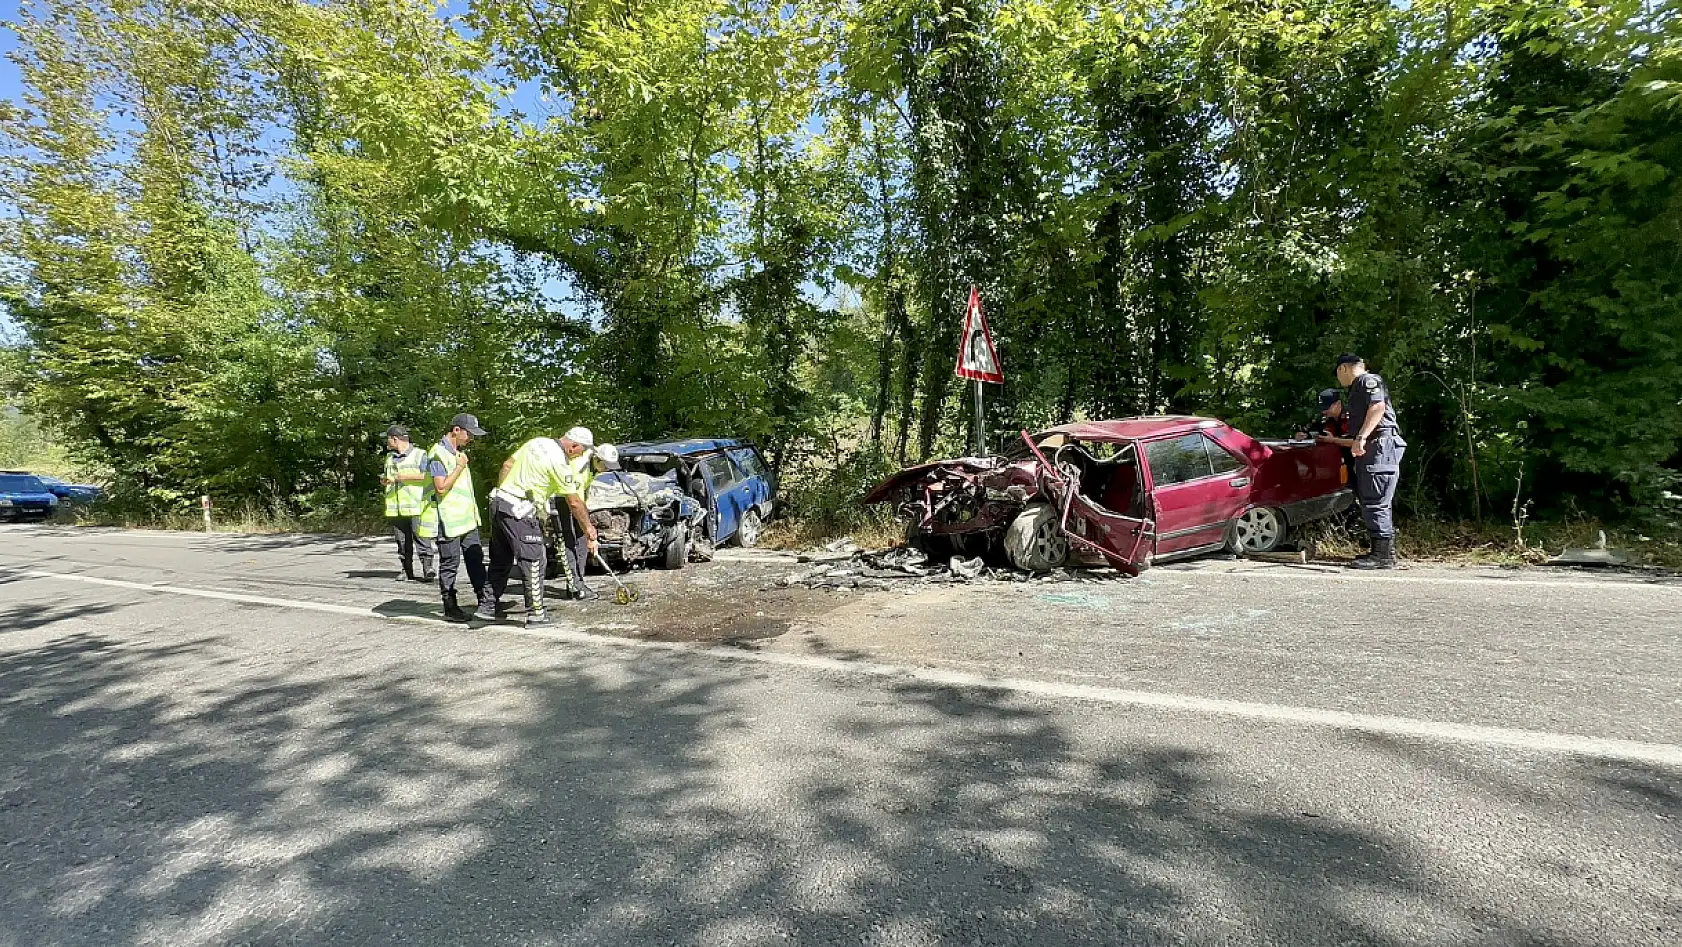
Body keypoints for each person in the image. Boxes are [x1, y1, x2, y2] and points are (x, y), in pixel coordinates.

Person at [475, 427, 606, 625]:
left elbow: (507, 464)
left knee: (500, 560)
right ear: (573, 446)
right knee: (534, 560)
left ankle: (486, 608)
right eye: (582, 450)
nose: (581, 455)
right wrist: (589, 529)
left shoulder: (536, 442)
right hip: (520, 510)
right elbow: (575, 502)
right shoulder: (560, 462)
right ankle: (536, 614)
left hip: (499, 503)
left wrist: (503, 492)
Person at [1336, 354, 1407, 569]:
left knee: (1376, 499)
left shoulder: (1369, 381)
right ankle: (1382, 552)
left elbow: (1378, 407)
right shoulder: (1358, 387)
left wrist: (1361, 437)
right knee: (1371, 499)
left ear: (1344, 369)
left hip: (1379, 446)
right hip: (1374, 447)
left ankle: (1382, 556)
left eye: (1338, 374)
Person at [417, 413, 489, 622]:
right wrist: (459, 466)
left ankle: (485, 601)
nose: (471, 439)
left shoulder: (457, 453)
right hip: (447, 520)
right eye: (469, 434)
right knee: (450, 563)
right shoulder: (438, 454)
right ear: (456, 430)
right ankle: (450, 607)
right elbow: (441, 487)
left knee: (475, 559)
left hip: (465, 519)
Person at [381, 424, 435, 583]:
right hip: (396, 508)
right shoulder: (390, 457)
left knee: (422, 538)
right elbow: (388, 477)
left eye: (388, 439)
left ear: (394, 439)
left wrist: (399, 477)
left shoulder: (420, 454)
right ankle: (406, 570)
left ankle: (428, 568)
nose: (387, 442)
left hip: (416, 505)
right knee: (402, 542)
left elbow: (426, 476)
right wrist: (385, 480)